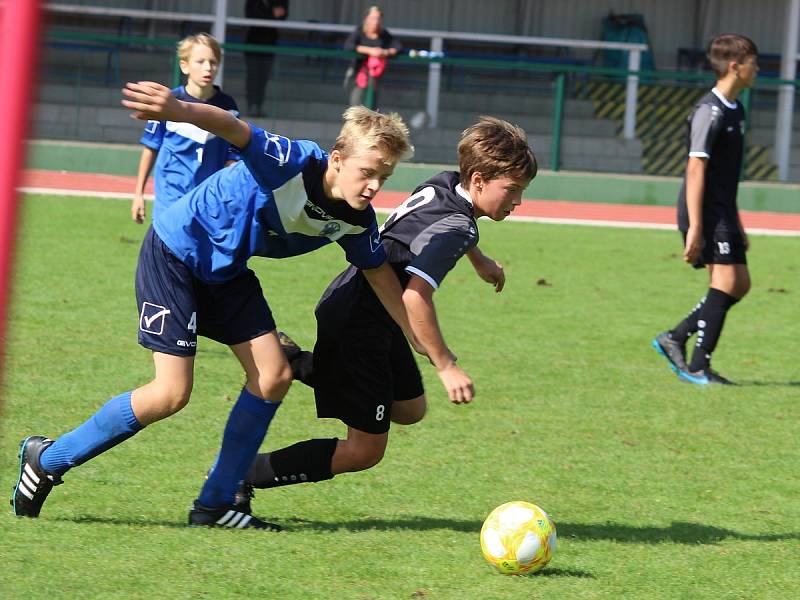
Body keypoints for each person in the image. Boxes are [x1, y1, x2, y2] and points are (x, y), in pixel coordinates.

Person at [11, 82, 415, 531]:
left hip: (226, 272)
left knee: (273, 376)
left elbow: (378, 272)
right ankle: (47, 459)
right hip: (175, 254)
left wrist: (418, 337)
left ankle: (216, 503)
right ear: (337, 159)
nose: (376, 185)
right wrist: (178, 109)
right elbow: (233, 128)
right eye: (368, 171)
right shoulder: (292, 160)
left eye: (386, 176)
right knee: (170, 393)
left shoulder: (356, 220)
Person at [238, 117, 536, 505]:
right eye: (511, 191)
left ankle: (295, 361)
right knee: (365, 451)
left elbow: (441, 224)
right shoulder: (459, 228)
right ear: (478, 180)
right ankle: (242, 474)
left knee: (410, 409)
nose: (517, 201)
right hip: (360, 322)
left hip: (365, 307)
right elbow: (415, 298)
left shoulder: (445, 182)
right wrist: (446, 364)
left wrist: (478, 258)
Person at [652, 34, 758, 385]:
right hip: (705, 211)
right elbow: (695, 169)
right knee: (725, 280)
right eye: (752, 62)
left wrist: (737, 221)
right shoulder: (708, 111)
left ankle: (677, 337)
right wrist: (695, 226)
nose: (757, 69)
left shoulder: (736, 109)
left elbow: (727, 178)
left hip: (723, 210)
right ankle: (698, 366)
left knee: (740, 283)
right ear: (735, 66)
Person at [131, 33, 240, 225]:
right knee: (167, 252)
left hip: (208, 201)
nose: (208, 68)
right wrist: (138, 193)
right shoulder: (167, 103)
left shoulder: (227, 107)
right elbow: (150, 148)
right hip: (170, 199)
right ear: (184, 65)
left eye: (213, 62)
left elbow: (233, 157)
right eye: (200, 61)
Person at [343, 5, 401, 109]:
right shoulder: (360, 31)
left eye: (378, 18)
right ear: (366, 19)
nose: (376, 21)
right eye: (373, 18)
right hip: (358, 73)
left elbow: (398, 47)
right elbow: (348, 46)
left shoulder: (383, 34)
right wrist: (369, 51)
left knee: (372, 105)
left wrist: (384, 52)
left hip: (374, 75)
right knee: (355, 103)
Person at [244, 0, 288, 117]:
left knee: (263, 78)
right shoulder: (253, 2)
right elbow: (252, 16)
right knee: (253, 77)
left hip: (269, 45)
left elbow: (283, 14)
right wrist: (272, 15)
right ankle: (252, 105)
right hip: (253, 44)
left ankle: (258, 106)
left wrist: (272, 15)